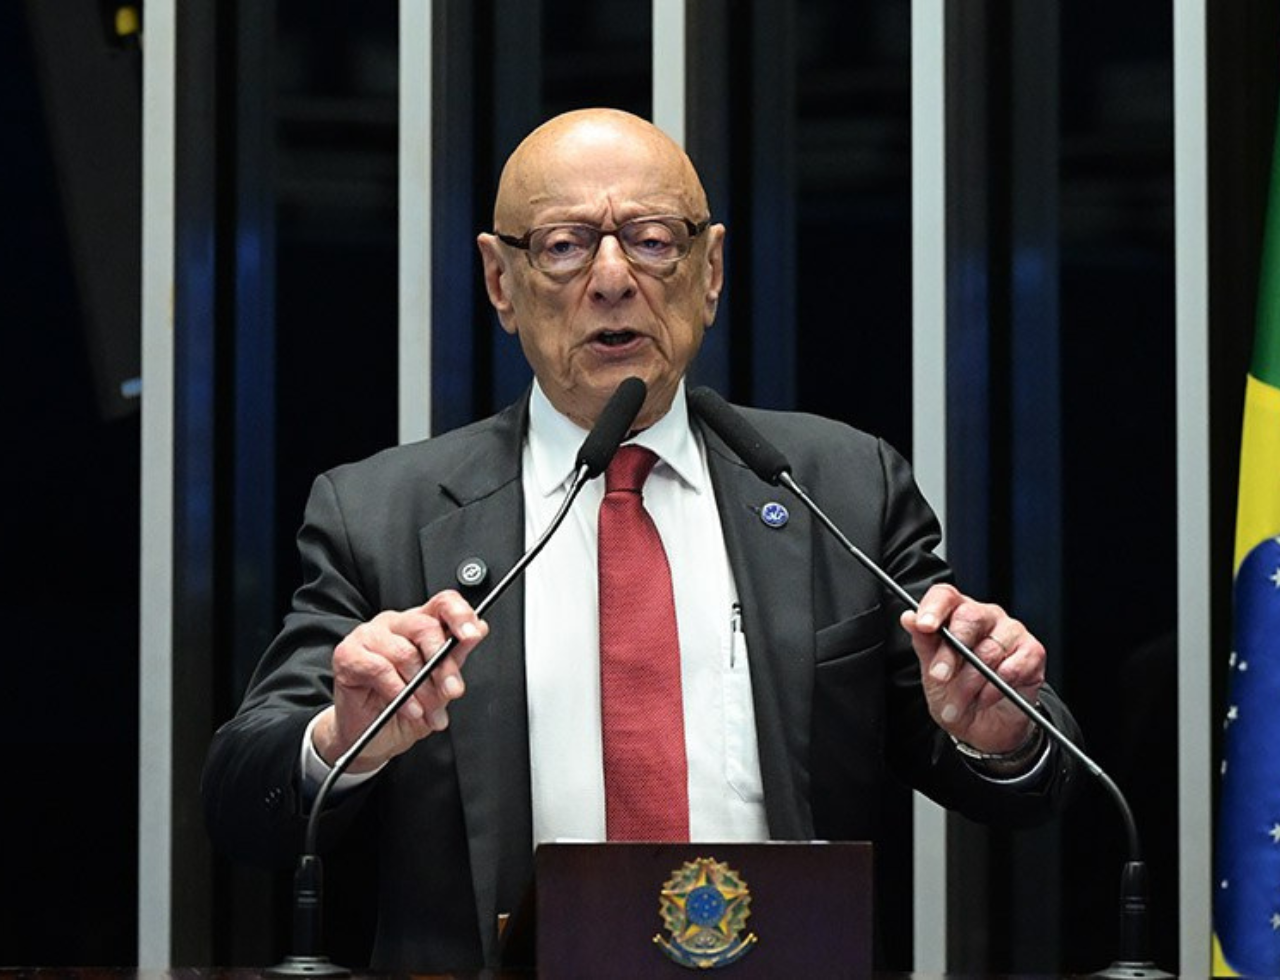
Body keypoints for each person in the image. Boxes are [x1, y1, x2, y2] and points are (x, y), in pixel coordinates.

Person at [202, 107, 1081, 972]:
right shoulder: (382, 515)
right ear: (501, 282)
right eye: (565, 245)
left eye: (653, 241)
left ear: (711, 270)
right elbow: (243, 802)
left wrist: (1001, 732)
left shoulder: (841, 488)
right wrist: (340, 738)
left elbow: (1023, 777)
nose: (613, 279)